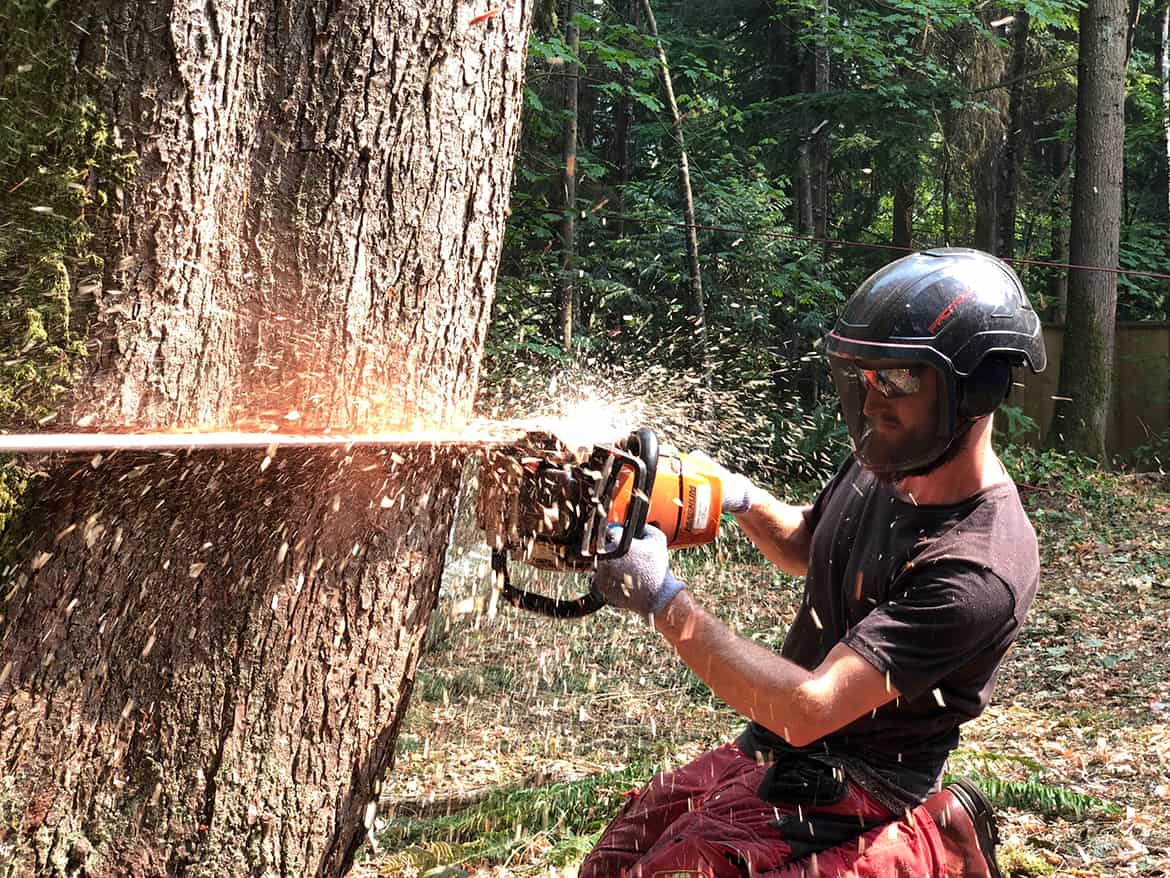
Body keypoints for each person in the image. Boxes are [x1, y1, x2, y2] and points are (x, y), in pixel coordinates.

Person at [583, 248, 1047, 878]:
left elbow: (811, 706)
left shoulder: (977, 567)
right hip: (778, 744)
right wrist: (735, 496)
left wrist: (664, 599)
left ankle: (938, 841)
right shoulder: (891, 455)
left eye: (900, 380)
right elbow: (809, 543)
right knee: (616, 859)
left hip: (870, 781)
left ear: (978, 390)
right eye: (863, 378)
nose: (873, 400)